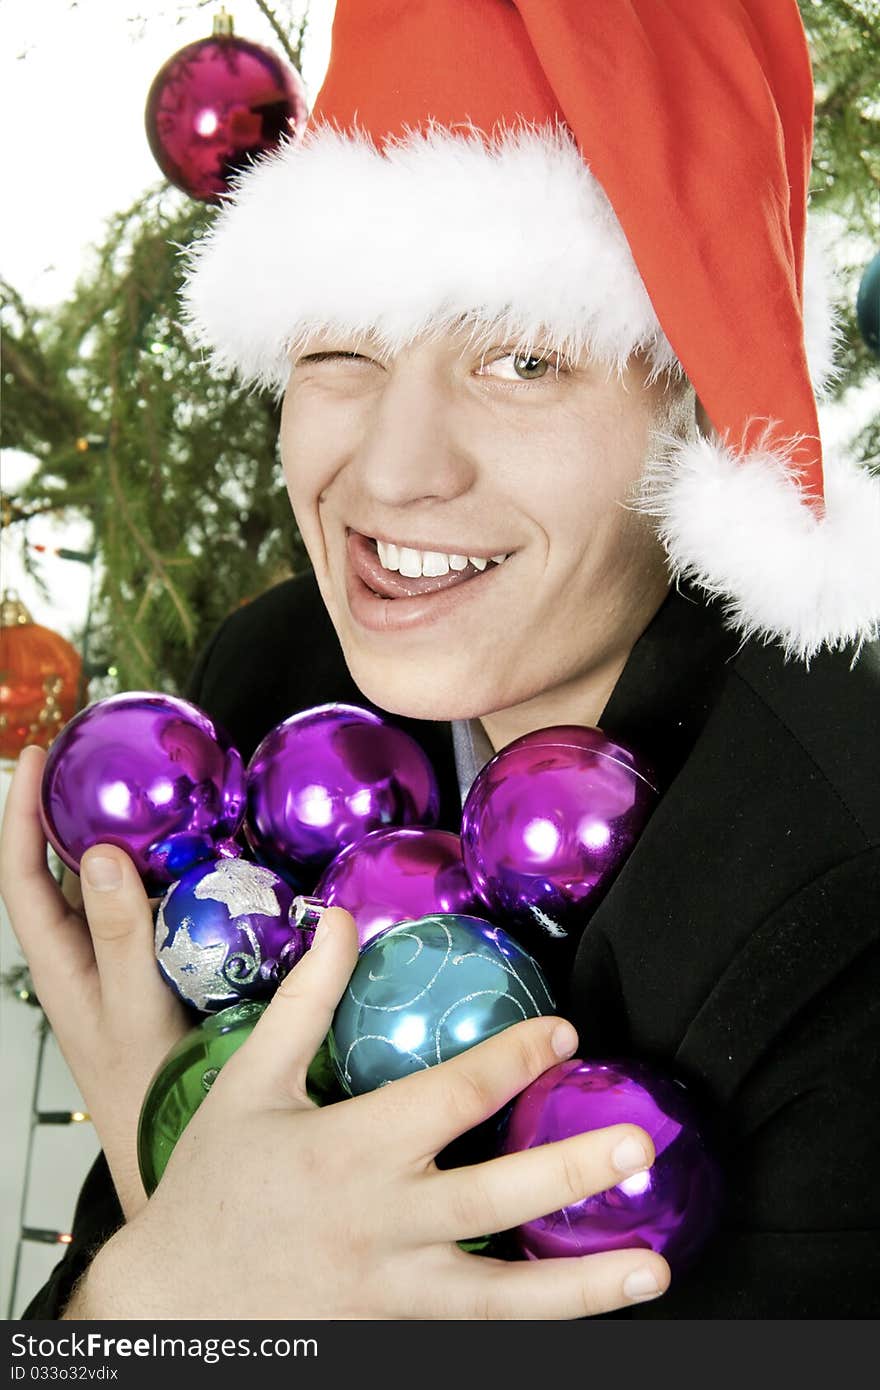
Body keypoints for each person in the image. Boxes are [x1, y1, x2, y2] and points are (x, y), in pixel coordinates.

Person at [2, 0, 879, 1320]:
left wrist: (176, 1231)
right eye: (341, 345)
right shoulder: (267, 690)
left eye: (522, 359)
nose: (394, 472)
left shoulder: (842, 899)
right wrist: (152, 1260)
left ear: (698, 397)